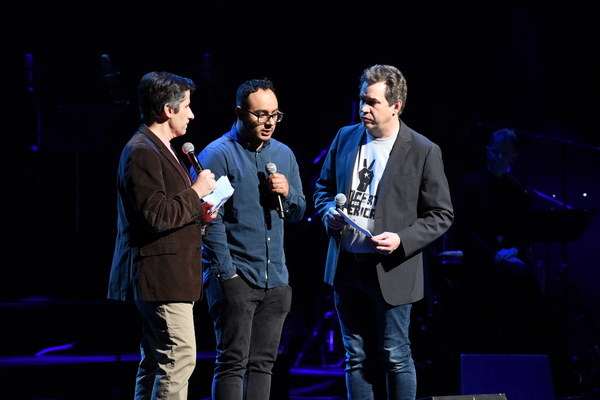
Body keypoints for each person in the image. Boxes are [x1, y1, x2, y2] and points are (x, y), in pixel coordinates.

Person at [313, 64, 454, 400]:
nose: (363, 108)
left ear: (396, 105)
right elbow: (322, 189)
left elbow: (441, 214)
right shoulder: (344, 137)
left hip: (392, 269)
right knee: (356, 359)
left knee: (395, 357)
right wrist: (328, 212)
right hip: (347, 266)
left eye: (373, 102)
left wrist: (402, 239)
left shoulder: (422, 150)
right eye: (362, 100)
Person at [107, 71, 217, 400]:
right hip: (159, 277)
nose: (192, 114)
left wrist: (202, 212)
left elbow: (169, 211)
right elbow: (156, 216)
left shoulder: (161, 148)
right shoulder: (142, 151)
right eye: (186, 106)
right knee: (179, 357)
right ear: (169, 110)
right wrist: (196, 192)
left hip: (169, 275)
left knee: (156, 360)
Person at [198, 78, 306, 400]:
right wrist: (226, 274)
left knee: (263, 365)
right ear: (239, 113)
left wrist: (287, 194)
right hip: (236, 276)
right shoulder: (217, 154)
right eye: (260, 114)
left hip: (276, 278)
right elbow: (208, 219)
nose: (269, 122)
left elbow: (300, 210)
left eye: (274, 115)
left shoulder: (284, 154)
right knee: (232, 362)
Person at [452, 128, 548, 354]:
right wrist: (494, 254)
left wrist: (514, 249)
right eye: (495, 152)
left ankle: (528, 345)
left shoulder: (516, 189)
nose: (498, 157)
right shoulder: (470, 185)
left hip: (509, 258)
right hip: (481, 261)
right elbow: (463, 229)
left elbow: (525, 229)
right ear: (487, 152)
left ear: (513, 156)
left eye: (504, 153)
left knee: (524, 278)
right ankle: (517, 342)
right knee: (523, 279)